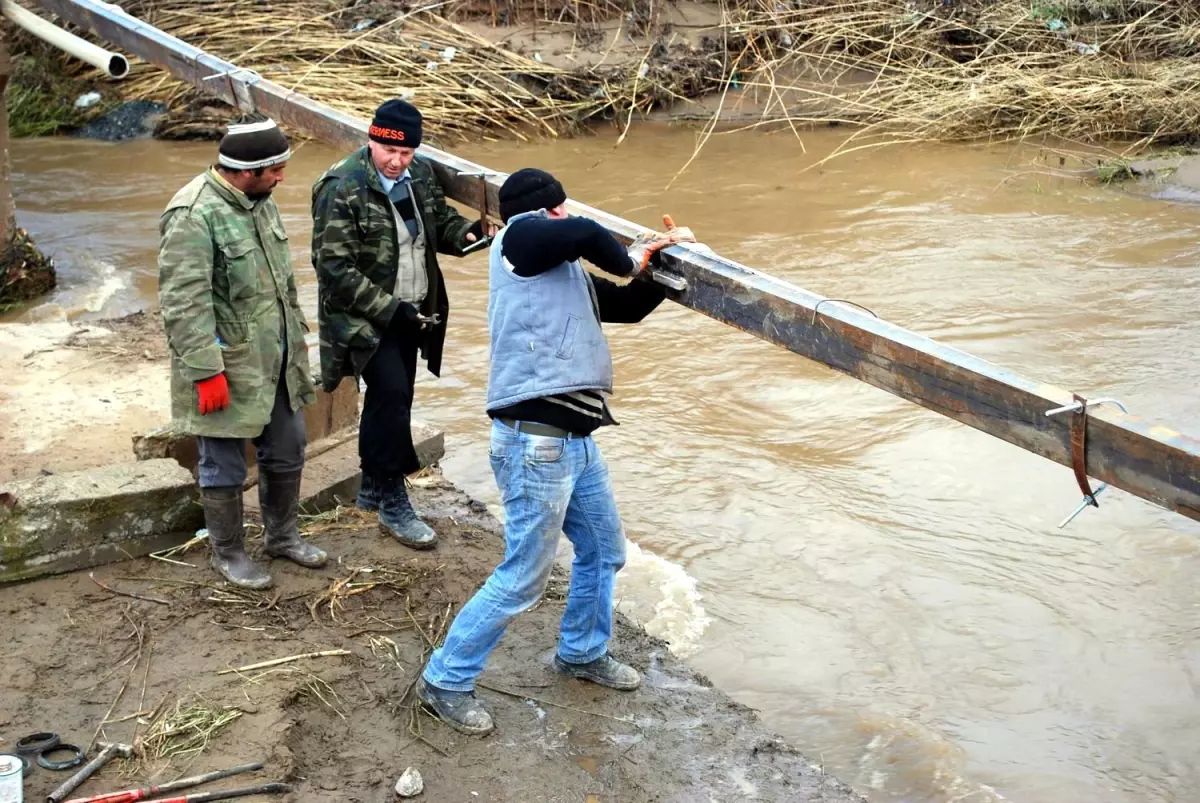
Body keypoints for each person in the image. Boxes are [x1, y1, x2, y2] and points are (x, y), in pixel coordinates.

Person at [416, 167, 696, 735]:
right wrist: (629, 253)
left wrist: (665, 266)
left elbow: (628, 306)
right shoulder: (516, 242)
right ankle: (444, 680)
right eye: (559, 210)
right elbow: (589, 235)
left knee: (603, 551)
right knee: (524, 575)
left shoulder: (556, 269)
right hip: (534, 444)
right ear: (545, 212)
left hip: (576, 441)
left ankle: (582, 652)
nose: (565, 218)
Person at [310, 99, 493, 550]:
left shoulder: (420, 177)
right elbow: (333, 269)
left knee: (394, 400)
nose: (396, 161)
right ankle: (394, 500)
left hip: (412, 308)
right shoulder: (341, 186)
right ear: (371, 139)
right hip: (364, 318)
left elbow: (436, 222)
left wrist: (465, 234)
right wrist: (392, 310)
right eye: (387, 150)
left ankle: (372, 489)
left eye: (406, 153)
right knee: (392, 396)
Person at [158, 113, 326, 589]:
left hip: (274, 358)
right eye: (275, 169)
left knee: (289, 445)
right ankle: (228, 553)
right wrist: (206, 370)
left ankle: (283, 536)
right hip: (225, 367)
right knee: (224, 462)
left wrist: (298, 340)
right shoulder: (193, 213)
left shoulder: (261, 202)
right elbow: (182, 304)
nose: (281, 176)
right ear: (247, 170)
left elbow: (282, 284)